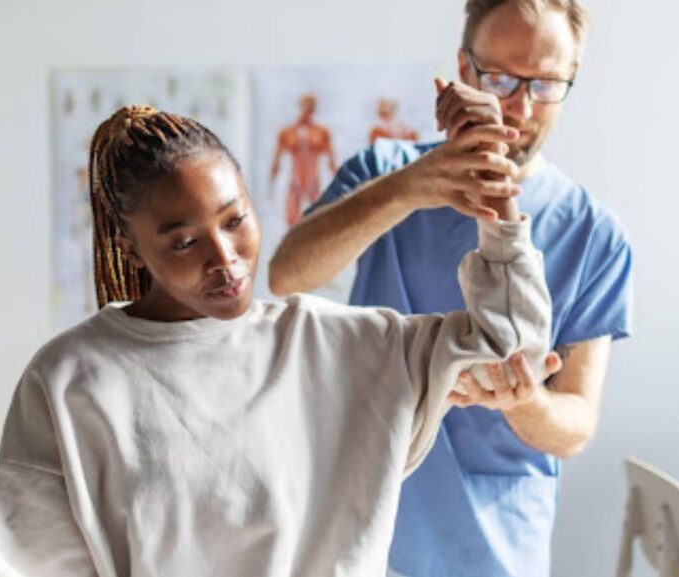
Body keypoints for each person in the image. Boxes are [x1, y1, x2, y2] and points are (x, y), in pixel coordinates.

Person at [0, 105, 555, 576]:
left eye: (235, 221)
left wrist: (498, 199)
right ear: (132, 249)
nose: (225, 260)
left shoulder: (335, 345)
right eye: (184, 242)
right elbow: (34, 561)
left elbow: (511, 347)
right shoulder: (69, 380)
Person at [269, 1, 634, 575]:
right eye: (499, 78)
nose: (518, 105)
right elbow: (287, 274)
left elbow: (574, 428)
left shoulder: (595, 236)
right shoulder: (383, 170)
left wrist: (526, 401)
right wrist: (411, 187)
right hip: (369, 521)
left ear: (571, 80)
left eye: (545, 84)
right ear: (463, 70)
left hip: (498, 546)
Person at [269, 94, 339, 227]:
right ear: (299, 106)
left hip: (313, 178)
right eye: (305, 105)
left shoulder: (322, 132)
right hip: (296, 178)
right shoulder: (288, 132)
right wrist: (271, 185)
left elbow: (332, 162)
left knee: (317, 213)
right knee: (292, 214)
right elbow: (276, 160)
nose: (307, 109)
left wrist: (339, 183)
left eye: (310, 106)